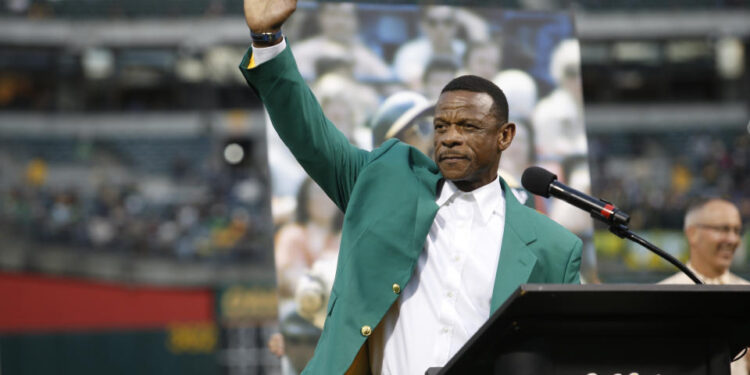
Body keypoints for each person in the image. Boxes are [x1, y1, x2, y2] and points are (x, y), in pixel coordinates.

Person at [240, 1, 582, 374]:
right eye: (441, 127)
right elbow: (312, 138)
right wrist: (267, 41)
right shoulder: (384, 184)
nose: (450, 138)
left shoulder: (555, 248)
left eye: (468, 127)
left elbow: (564, 355)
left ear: (505, 136)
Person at [660, 197, 747, 375]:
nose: (732, 239)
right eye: (723, 229)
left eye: (737, 230)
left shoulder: (747, 292)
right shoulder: (662, 296)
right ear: (692, 233)